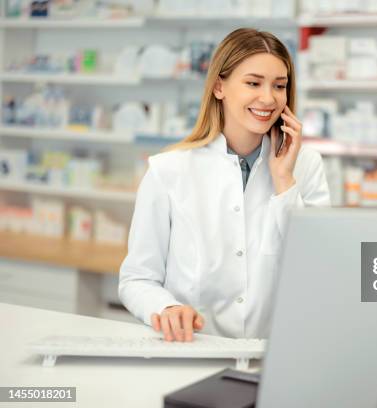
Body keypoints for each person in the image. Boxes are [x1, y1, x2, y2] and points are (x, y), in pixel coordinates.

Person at [118, 28, 330, 342]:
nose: (268, 98)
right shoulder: (169, 170)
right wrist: (167, 307)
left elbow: (320, 268)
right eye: (253, 83)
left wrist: (285, 182)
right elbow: (136, 279)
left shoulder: (305, 166)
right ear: (220, 86)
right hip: (192, 349)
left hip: (272, 355)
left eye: (279, 86)